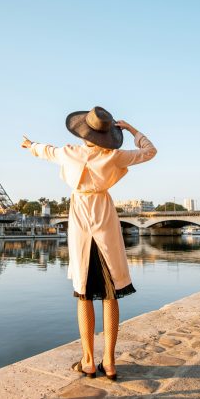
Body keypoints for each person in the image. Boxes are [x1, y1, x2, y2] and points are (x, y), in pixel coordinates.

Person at [21, 106, 157, 380]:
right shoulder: (115, 156)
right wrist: (131, 130)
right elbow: (150, 151)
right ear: (108, 135)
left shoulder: (70, 152)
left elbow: (46, 150)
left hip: (81, 221)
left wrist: (29, 144)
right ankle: (109, 361)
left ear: (83, 132)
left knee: (83, 293)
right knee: (111, 294)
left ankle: (87, 359)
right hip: (105, 220)